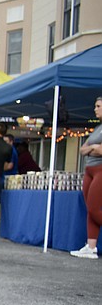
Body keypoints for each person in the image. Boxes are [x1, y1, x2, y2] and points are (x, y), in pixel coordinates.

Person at [70, 96, 102, 260]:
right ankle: (91, 247)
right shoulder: (97, 129)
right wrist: (93, 147)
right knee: (90, 207)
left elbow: (101, 151)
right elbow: (83, 149)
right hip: (89, 169)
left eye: (98, 106)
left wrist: (94, 148)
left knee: (94, 208)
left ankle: (91, 246)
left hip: (100, 169)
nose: (95, 109)